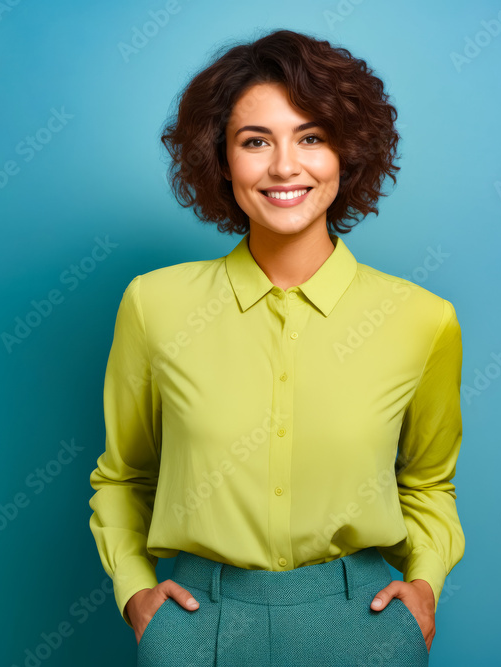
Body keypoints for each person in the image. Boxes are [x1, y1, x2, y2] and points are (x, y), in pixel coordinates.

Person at [88, 28, 464, 667]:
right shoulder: (155, 306)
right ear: (220, 159)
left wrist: (424, 583)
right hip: (197, 626)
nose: (284, 166)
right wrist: (135, 594)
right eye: (255, 141)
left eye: (311, 137)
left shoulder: (422, 320)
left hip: (365, 629)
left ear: (348, 152)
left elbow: (428, 482)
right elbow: (124, 476)